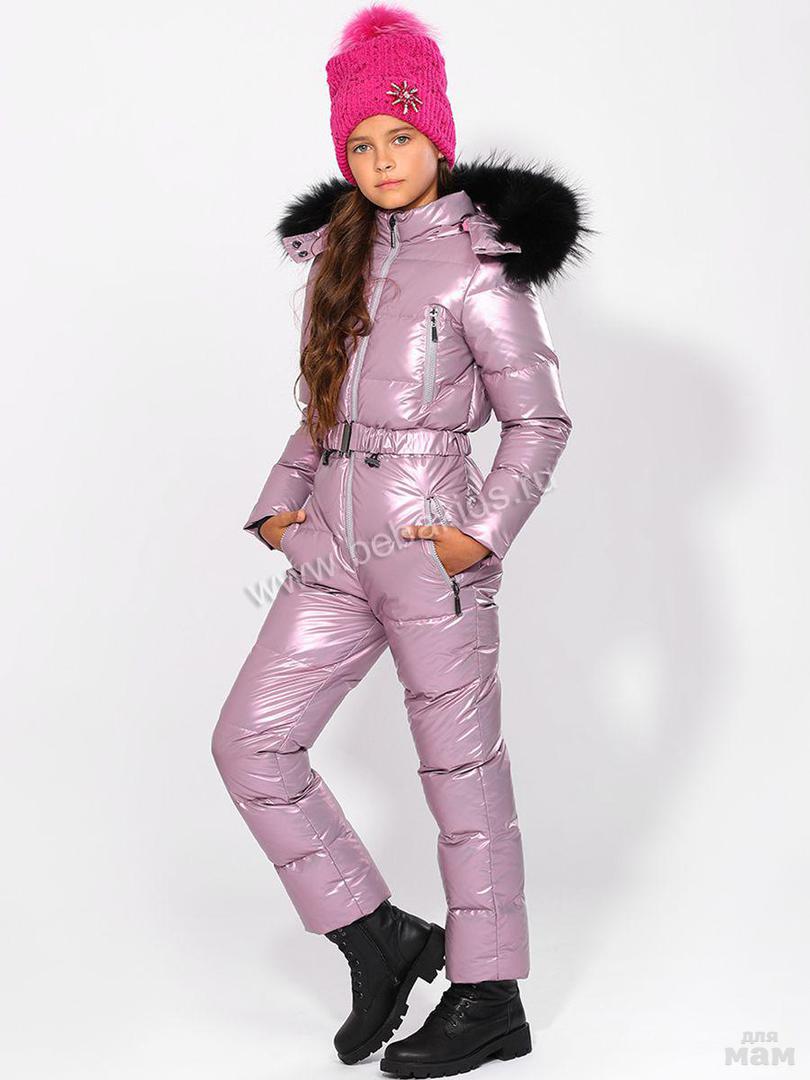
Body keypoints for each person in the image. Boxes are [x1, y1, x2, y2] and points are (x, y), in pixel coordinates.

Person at [211, 3, 591, 1075]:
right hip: (330, 551)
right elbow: (321, 409)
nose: (382, 159)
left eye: (401, 134)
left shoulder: (480, 266)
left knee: (460, 770)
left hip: (431, 548)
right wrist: (279, 507)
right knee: (250, 744)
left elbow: (539, 420)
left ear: (437, 136)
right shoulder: (338, 258)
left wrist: (479, 536)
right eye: (362, 143)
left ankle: (490, 996)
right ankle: (380, 937)